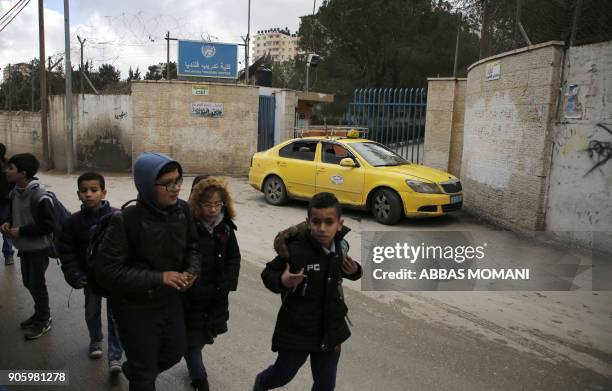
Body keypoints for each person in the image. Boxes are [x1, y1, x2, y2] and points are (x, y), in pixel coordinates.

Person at [95, 152, 201, 391]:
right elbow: (107, 271)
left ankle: (136, 369)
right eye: (167, 184)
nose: (176, 188)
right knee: (145, 375)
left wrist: (192, 271)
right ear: (146, 184)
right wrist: (160, 277)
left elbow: (194, 247)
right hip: (135, 308)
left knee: (174, 352)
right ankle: (141, 373)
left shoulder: (182, 210)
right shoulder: (125, 221)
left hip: (170, 301)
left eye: (178, 181)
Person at [254, 192, 362, 391]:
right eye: (316, 222)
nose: (322, 228)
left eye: (329, 222)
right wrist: (282, 280)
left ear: (339, 224)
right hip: (298, 330)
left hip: (330, 330)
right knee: (283, 374)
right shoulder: (295, 250)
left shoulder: (340, 246)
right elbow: (268, 273)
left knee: (325, 385)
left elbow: (342, 272)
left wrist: (356, 271)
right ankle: (261, 383)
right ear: (308, 222)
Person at [56, 172, 124, 372]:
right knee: (91, 313)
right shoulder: (73, 222)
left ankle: (115, 355)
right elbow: (67, 252)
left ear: (103, 192)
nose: (89, 194)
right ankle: (95, 340)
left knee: (115, 317)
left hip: (114, 280)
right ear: (78, 194)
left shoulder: (118, 217)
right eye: (84, 191)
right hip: (90, 280)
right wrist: (75, 275)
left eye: (94, 190)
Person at [183, 175, 241, 391]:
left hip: (216, 297)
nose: (213, 210)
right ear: (196, 203)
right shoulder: (187, 227)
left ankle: (192, 364)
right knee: (192, 340)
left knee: (203, 338)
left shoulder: (225, 228)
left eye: (217, 204)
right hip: (192, 298)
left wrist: (229, 281)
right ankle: (199, 380)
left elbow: (234, 257)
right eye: (208, 204)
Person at [0, 153, 54, 340]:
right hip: (24, 247)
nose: (6, 171)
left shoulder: (40, 195)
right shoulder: (14, 192)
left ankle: (44, 319)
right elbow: (13, 214)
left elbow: (49, 225)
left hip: (39, 248)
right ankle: (39, 313)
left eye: (11, 168)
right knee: (28, 282)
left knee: (37, 284)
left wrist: (21, 231)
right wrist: (7, 222)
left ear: (22, 173)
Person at [0, 143, 15, 265]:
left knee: (6, 228)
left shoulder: (9, 166)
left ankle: (8, 254)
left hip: (5, 202)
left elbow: (14, 183)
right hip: (6, 201)